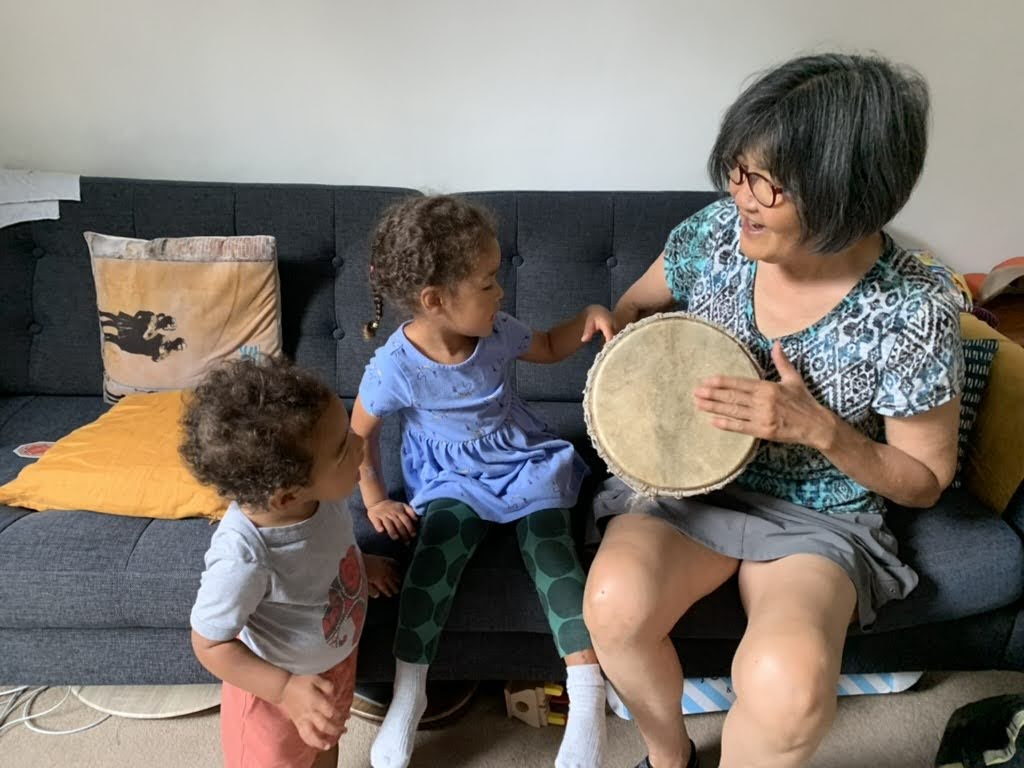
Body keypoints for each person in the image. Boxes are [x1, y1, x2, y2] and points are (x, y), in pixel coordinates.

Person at [582, 53, 965, 768]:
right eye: (737, 169)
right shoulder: (717, 234)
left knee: (788, 687)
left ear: (846, 193)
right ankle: (669, 758)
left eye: (768, 183)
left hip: (819, 515)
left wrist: (819, 429)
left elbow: (923, 481)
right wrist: (621, 339)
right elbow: (636, 305)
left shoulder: (913, 310)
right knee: (612, 603)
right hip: (688, 486)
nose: (742, 197)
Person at [353, 195, 614, 768]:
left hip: (522, 458)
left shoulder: (497, 330)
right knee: (432, 559)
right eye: (488, 282)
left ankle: (588, 695)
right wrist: (374, 499)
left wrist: (589, 315)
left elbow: (550, 346)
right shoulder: (396, 368)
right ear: (435, 300)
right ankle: (409, 695)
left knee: (554, 556)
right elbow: (358, 435)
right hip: (450, 477)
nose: (501, 293)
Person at [183, 356, 400, 768]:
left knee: (324, 744)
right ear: (286, 496)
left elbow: (325, 545)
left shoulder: (323, 495)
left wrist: (359, 565)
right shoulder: (244, 557)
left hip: (331, 665)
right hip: (273, 698)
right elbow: (209, 644)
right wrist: (284, 689)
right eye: (343, 449)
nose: (360, 444)